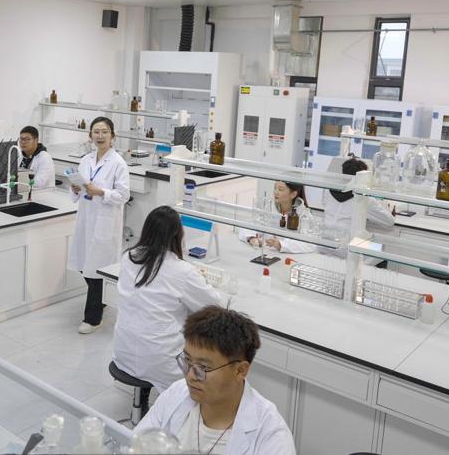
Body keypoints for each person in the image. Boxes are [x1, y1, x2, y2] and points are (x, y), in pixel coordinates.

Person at [136, 306, 295, 455]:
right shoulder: (176, 394)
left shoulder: (272, 437)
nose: (190, 376)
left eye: (203, 367)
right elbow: (138, 445)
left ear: (240, 370)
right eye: (187, 360)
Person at [113, 206, 224, 392]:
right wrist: (200, 280)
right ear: (177, 235)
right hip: (161, 362)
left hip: (124, 352)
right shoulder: (181, 271)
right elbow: (214, 304)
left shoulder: (129, 257)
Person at [68, 117, 130, 334]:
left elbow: (123, 195)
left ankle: (92, 319)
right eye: (96, 132)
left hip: (105, 221)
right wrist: (75, 189)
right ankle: (102, 300)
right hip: (86, 218)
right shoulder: (86, 160)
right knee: (85, 266)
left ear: (113, 136)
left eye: (105, 132)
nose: (100, 136)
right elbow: (78, 189)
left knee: (97, 269)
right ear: (90, 135)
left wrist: (101, 192)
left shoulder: (118, 163)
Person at [323, 155, 395, 235]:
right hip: (349, 240)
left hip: (326, 235)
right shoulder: (364, 199)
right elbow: (389, 222)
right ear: (362, 177)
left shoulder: (328, 191)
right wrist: (389, 211)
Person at [239, 181, 316, 254]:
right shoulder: (269, 207)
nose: (275, 192)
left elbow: (310, 244)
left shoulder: (304, 215)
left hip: (290, 258)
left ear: (293, 194)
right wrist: (251, 238)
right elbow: (249, 225)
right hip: (267, 253)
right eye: (275, 188)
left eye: (280, 189)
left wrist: (280, 245)